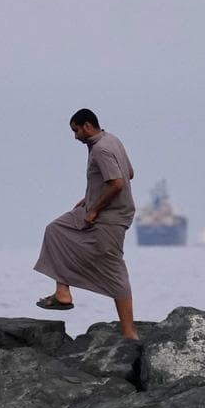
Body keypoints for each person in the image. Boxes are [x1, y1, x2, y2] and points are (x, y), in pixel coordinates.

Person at [34, 108, 138, 339]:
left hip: (111, 216)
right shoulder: (112, 140)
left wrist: (95, 209)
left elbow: (118, 182)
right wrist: (90, 197)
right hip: (97, 207)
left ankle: (130, 333)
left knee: (113, 269)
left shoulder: (101, 149)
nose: (75, 136)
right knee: (56, 230)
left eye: (76, 130)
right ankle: (62, 293)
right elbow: (129, 173)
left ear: (88, 126)